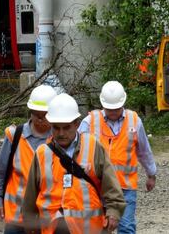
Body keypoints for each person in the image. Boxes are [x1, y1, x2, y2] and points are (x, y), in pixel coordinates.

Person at [23, 93, 126, 234]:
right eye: (56, 127)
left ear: (77, 124)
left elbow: (110, 184)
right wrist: (29, 224)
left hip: (89, 229)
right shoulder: (42, 153)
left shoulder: (93, 146)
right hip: (53, 229)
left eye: (66, 127)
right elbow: (30, 195)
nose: (61, 133)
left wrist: (114, 211)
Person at [78, 81, 157, 234]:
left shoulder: (134, 121)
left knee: (126, 227)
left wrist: (151, 174)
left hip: (125, 188)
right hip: (97, 187)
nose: (113, 112)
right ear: (102, 105)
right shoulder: (89, 122)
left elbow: (144, 151)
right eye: (109, 109)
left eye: (116, 108)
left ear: (123, 104)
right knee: (98, 228)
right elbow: (76, 148)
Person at [0, 85, 57, 234]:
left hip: (46, 217)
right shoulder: (15, 136)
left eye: (44, 115)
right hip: (16, 216)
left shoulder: (59, 140)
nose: (40, 119)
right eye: (36, 114)